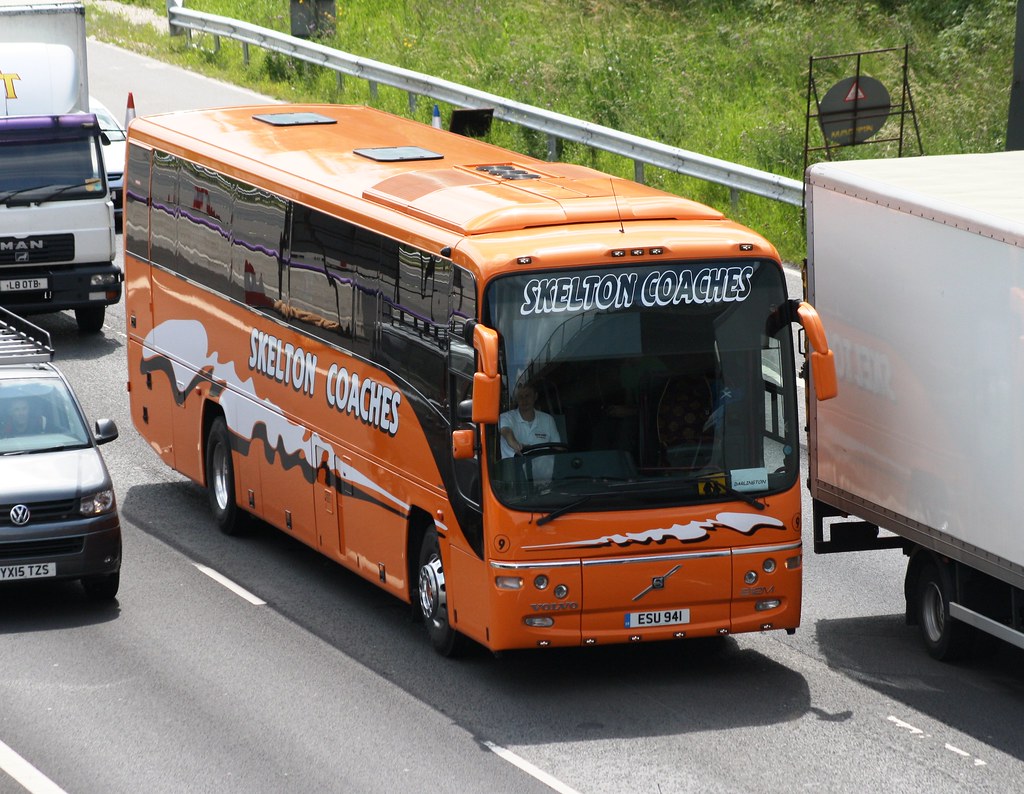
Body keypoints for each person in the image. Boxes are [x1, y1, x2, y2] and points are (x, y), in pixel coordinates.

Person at [499, 381, 561, 459]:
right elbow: (506, 431)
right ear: (517, 399)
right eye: (520, 397)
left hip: (544, 471)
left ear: (535, 396)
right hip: (515, 470)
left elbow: (558, 448)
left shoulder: (548, 420)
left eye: (527, 396)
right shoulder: (505, 417)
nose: (524, 400)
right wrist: (516, 444)